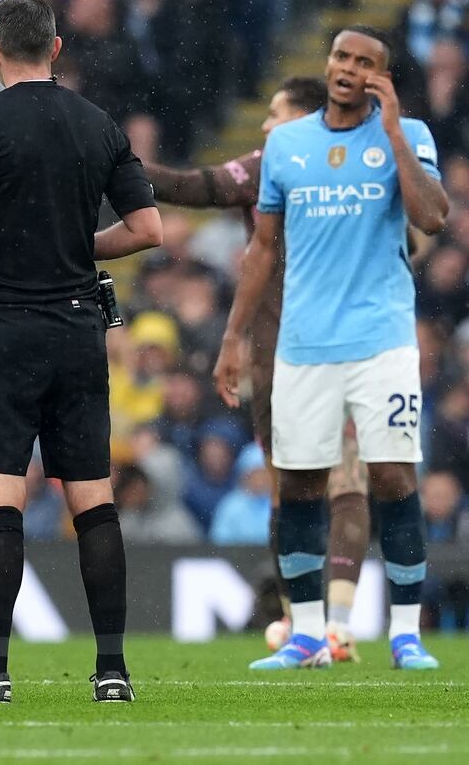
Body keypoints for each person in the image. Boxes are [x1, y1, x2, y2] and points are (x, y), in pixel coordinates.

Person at [0, 0, 162, 704]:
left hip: (3, 330)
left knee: (0, 496)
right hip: (79, 327)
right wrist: (75, 245)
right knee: (93, 498)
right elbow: (148, 228)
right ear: (56, 48)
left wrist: (14, 235)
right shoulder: (97, 123)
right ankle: (112, 670)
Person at [214, 25, 448, 671]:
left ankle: (405, 635)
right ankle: (308, 636)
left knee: (394, 477)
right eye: (341, 56)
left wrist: (395, 130)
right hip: (303, 347)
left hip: (382, 342)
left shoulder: (413, 136)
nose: (348, 67)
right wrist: (233, 337)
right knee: (299, 487)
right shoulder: (288, 144)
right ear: (328, 64)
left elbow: (432, 217)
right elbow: (262, 248)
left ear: (381, 76)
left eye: (364, 61)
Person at [145, 76, 373, 662]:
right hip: (275, 357)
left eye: (277, 114)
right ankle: (306, 626)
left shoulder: (339, 166)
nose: (266, 125)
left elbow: (202, 187)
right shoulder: (273, 165)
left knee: (340, 482)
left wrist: (122, 167)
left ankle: (333, 625)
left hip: (335, 347)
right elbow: (205, 188)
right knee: (288, 490)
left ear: (304, 120)